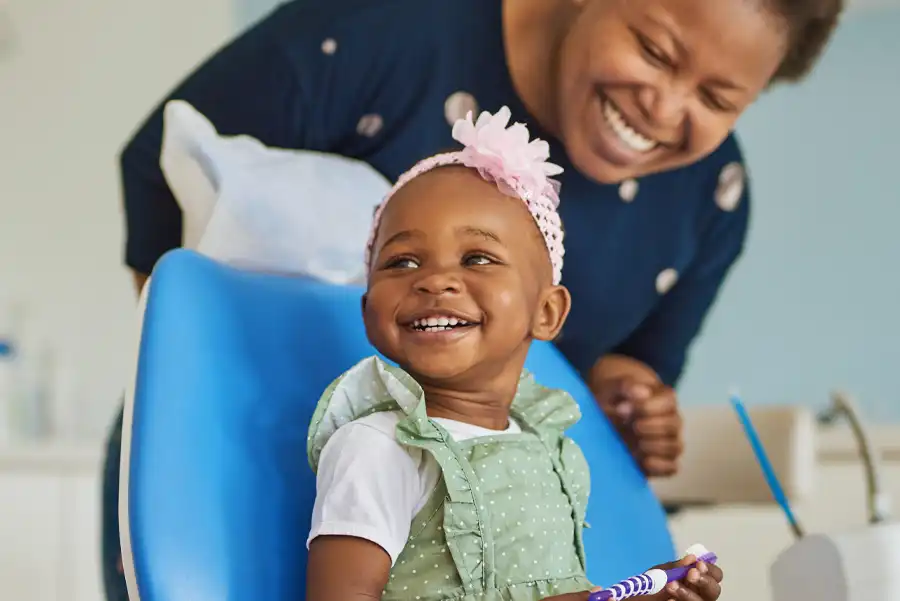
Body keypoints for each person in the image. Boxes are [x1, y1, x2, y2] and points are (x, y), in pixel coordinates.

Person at [105, 0, 842, 597]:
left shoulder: (553, 455)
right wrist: (193, 396)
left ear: (552, 310)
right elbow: (162, 164)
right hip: (228, 454)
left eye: (717, 98)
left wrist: (629, 399)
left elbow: (628, 368)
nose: (664, 106)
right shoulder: (388, 29)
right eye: (654, 50)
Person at [307, 106, 724, 601]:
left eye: (477, 258)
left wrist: (646, 593)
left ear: (546, 312)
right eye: (402, 261)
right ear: (368, 311)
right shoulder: (380, 448)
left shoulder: (544, 444)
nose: (435, 280)